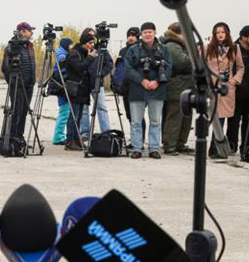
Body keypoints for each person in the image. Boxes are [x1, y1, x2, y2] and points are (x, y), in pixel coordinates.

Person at [124, 22, 172, 159]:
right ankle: (137, 148)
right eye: (145, 32)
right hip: (137, 89)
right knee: (136, 122)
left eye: (150, 32)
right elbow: (128, 69)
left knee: (155, 121)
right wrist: (142, 80)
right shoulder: (133, 50)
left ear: (155, 33)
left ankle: (154, 148)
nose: (147, 34)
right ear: (141, 34)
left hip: (157, 89)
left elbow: (169, 68)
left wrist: (157, 81)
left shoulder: (163, 49)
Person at [204, 22, 244, 158]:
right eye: (218, 32)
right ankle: (215, 148)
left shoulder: (235, 48)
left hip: (227, 88)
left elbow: (240, 67)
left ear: (227, 33)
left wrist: (234, 81)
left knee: (223, 118)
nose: (220, 34)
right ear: (214, 34)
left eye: (223, 32)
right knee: (217, 117)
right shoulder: (207, 48)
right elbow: (200, 66)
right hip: (213, 88)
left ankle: (216, 148)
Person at [161, 22, 194, 155]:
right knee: (175, 116)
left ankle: (180, 143)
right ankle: (169, 144)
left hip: (185, 85)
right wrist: (195, 57)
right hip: (176, 85)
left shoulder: (179, 45)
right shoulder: (172, 45)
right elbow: (182, 63)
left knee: (186, 116)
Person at [228, 25, 249, 154]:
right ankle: (232, 146)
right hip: (237, 93)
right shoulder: (233, 49)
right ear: (243, 38)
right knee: (233, 122)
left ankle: (247, 147)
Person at [2, 22, 36, 139]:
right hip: (17, 85)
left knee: (24, 112)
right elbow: (5, 67)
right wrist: (12, 82)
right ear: (22, 31)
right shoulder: (12, 46)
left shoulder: (30, 47)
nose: (31, 33)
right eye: (29, 30)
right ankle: (12, 137)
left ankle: (19, 137)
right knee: (16, 111)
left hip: (29, 84)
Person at [64, 33, 97, 151]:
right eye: (89, 43)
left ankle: (77, 139)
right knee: (74, 115)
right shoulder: (74, 53)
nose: (91, 45)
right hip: (76, 89)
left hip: (83, 89)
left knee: (78, 117)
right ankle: (70, 140)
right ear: (83, 43)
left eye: (92, 43)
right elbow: (79, 67)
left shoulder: (83, 53)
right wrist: (90, 58)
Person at [80, 28, 113, 140]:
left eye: (93, 36)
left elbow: (109, 64)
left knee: (102, 108)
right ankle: (84, 133)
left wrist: (101, 74)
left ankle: (106, 131)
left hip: (97, 83)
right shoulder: (81, 50)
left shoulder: (101, 49)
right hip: (84, 84)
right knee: (84, 109)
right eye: (89, 36)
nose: (92, 38)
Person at [52, 37, 74, 145]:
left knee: (65, 111)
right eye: (70, 45)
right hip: (62, 85)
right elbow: (62, 60)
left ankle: (60, 135)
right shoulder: (61, 53)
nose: (72, 47)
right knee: (64, 112)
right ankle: (58, 137)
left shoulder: (61, 51)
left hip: (61, 84)